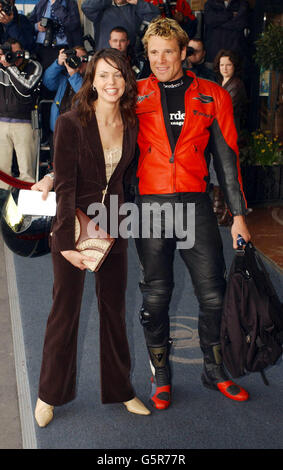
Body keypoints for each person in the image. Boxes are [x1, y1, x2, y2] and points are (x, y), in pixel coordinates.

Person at [134, 16, 251, 410]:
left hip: (194, 204)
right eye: (153, 52)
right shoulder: (134, 95)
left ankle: (214, 369)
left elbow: (226, 159)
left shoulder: (213, 94)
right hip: (150, 206)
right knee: (155, 296)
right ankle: (161, 375)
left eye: (169, 51)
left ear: (184, 52)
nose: (161, 60)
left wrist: (238, 215)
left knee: (213, 294)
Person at [33, 48, 150, 428]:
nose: (111, 83)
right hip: (72, 225)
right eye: (103, 75)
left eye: (117, 75)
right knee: (64, 312)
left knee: (114, 310)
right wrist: (65, 242)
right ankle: (49, 394)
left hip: (114, 225)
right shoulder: (71, 122)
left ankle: (121, 389)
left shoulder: (132, 122)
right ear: (92, 80)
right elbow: (65, 184)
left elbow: (126, 178)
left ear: (126, 79)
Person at [211, 49, 248, 226]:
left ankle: (227, 212)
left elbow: (224, 110)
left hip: (229, 133)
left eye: (228, 65)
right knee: (217, 172)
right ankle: (219, 210)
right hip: (219, 132)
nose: (225, 68)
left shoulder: (237, 85)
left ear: (234, 66)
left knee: (227, 172)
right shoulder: (220, 82)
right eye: (222, 65)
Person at [0, 38, 42, 192]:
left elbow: (26, 89)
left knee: (27, 172)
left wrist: (10, 67)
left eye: (16, 53)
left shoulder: (33, 66)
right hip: (1, 122)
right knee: (2, 174)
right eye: (9, 53)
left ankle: (28, 211)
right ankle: (3, 210)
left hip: (25, 122)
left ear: (23, 51)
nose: (13, 56)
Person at [42, 45, 88, 159]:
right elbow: (48, 82)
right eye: (73, 57)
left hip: (80, 134)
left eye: (81, 58)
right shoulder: (64, 77)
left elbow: (86, 95)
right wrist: (57, 64)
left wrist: (74, 75)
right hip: (59, 131)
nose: (76, 61)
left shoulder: (92, 79)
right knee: (58, 168)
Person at [81, 0, 159, 52]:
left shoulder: (135, 9)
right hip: (104, 57)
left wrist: (137, 2)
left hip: (129, 58)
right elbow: (86, 7)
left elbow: (155, 16)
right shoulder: (102, 10)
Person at [28, 0, 83, 70]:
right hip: (42, 50)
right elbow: (28, 25)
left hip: (63, 49)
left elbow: (72, 24)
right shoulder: (41, 3)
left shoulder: (70, 3)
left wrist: (56, 5)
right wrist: (37, 26)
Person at [203, 0, 250, 65]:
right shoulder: (210, 3)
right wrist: (230, 15)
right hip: (213, 53)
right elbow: (210, 20)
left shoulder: (242, 3)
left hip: (235, 52)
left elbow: (240, 24)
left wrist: (218, 24)